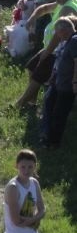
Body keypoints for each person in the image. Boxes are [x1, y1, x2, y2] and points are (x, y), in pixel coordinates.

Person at [15, 0, 77, 110]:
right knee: (32, 67)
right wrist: (32, 19)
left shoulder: (69, 7)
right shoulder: (61, 3)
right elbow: (43, 8)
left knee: (38, 76)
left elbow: (59, 34)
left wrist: (46, 52)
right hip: (49, 48)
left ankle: (18, 105)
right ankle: (32, 102)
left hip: (57, 51)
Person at [40, 17, 77, 149]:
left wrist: (75, 81)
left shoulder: (74, 41)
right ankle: (46, 135)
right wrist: (53, 76)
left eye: (57, 32)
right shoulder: (66, 41)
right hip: (58, 81)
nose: (57, 35)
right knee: (49, 104)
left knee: (60, 113)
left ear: (63, 30)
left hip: (67, 84)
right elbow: (60, 61)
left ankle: (54, 142)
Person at [3, 149, 45, 233]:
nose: (26, 170)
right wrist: (35, 219)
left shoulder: (34, 183)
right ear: (16, 166)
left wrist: (32, 219)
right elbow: (16, 221)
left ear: (35, 167)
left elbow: (42, 209)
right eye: (23, 167)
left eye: (30, 167)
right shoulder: (13, 188)